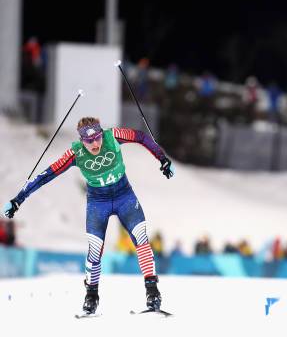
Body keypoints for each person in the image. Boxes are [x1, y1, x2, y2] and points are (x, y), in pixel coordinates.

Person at [2, 117, 175, 316]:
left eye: (97, 138)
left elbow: (141, 137)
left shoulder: (114, 136)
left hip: (124, 197)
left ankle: (152, 292)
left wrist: (162, 159)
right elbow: (46, 175)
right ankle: (91, 297)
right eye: (88, 141)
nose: (95, 144)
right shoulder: (75, 153)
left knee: (142, 239)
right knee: (94, 251)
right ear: (82, 140)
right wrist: (18, 199)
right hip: (97, 204)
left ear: (102, 133)